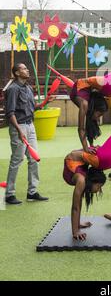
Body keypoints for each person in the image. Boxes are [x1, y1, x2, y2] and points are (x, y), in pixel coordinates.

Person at [4, 63, 52, 204]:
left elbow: (32, 108)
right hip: (19, 127)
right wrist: (19, 130)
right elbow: (10, 113)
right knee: (17, 160)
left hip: (30, 126)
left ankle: (32, 192)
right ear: (17, 73)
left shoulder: (28, 88)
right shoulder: (13, 89)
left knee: (34, 160)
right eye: (24, 68)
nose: (27, 70)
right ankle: (9, 194)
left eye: (26, 68)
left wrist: (44, 103)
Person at [63, 157, 106, 240]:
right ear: (93, 181)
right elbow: (75, 207)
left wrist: (78, 224)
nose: (99, 189)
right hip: (71, 159)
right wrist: (75, 231)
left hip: (78, 163)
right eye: (99, 186)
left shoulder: (85, 180)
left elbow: (79, 203)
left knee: (79, 200)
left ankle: (77, 224)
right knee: (77, 203)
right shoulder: (81, 181)